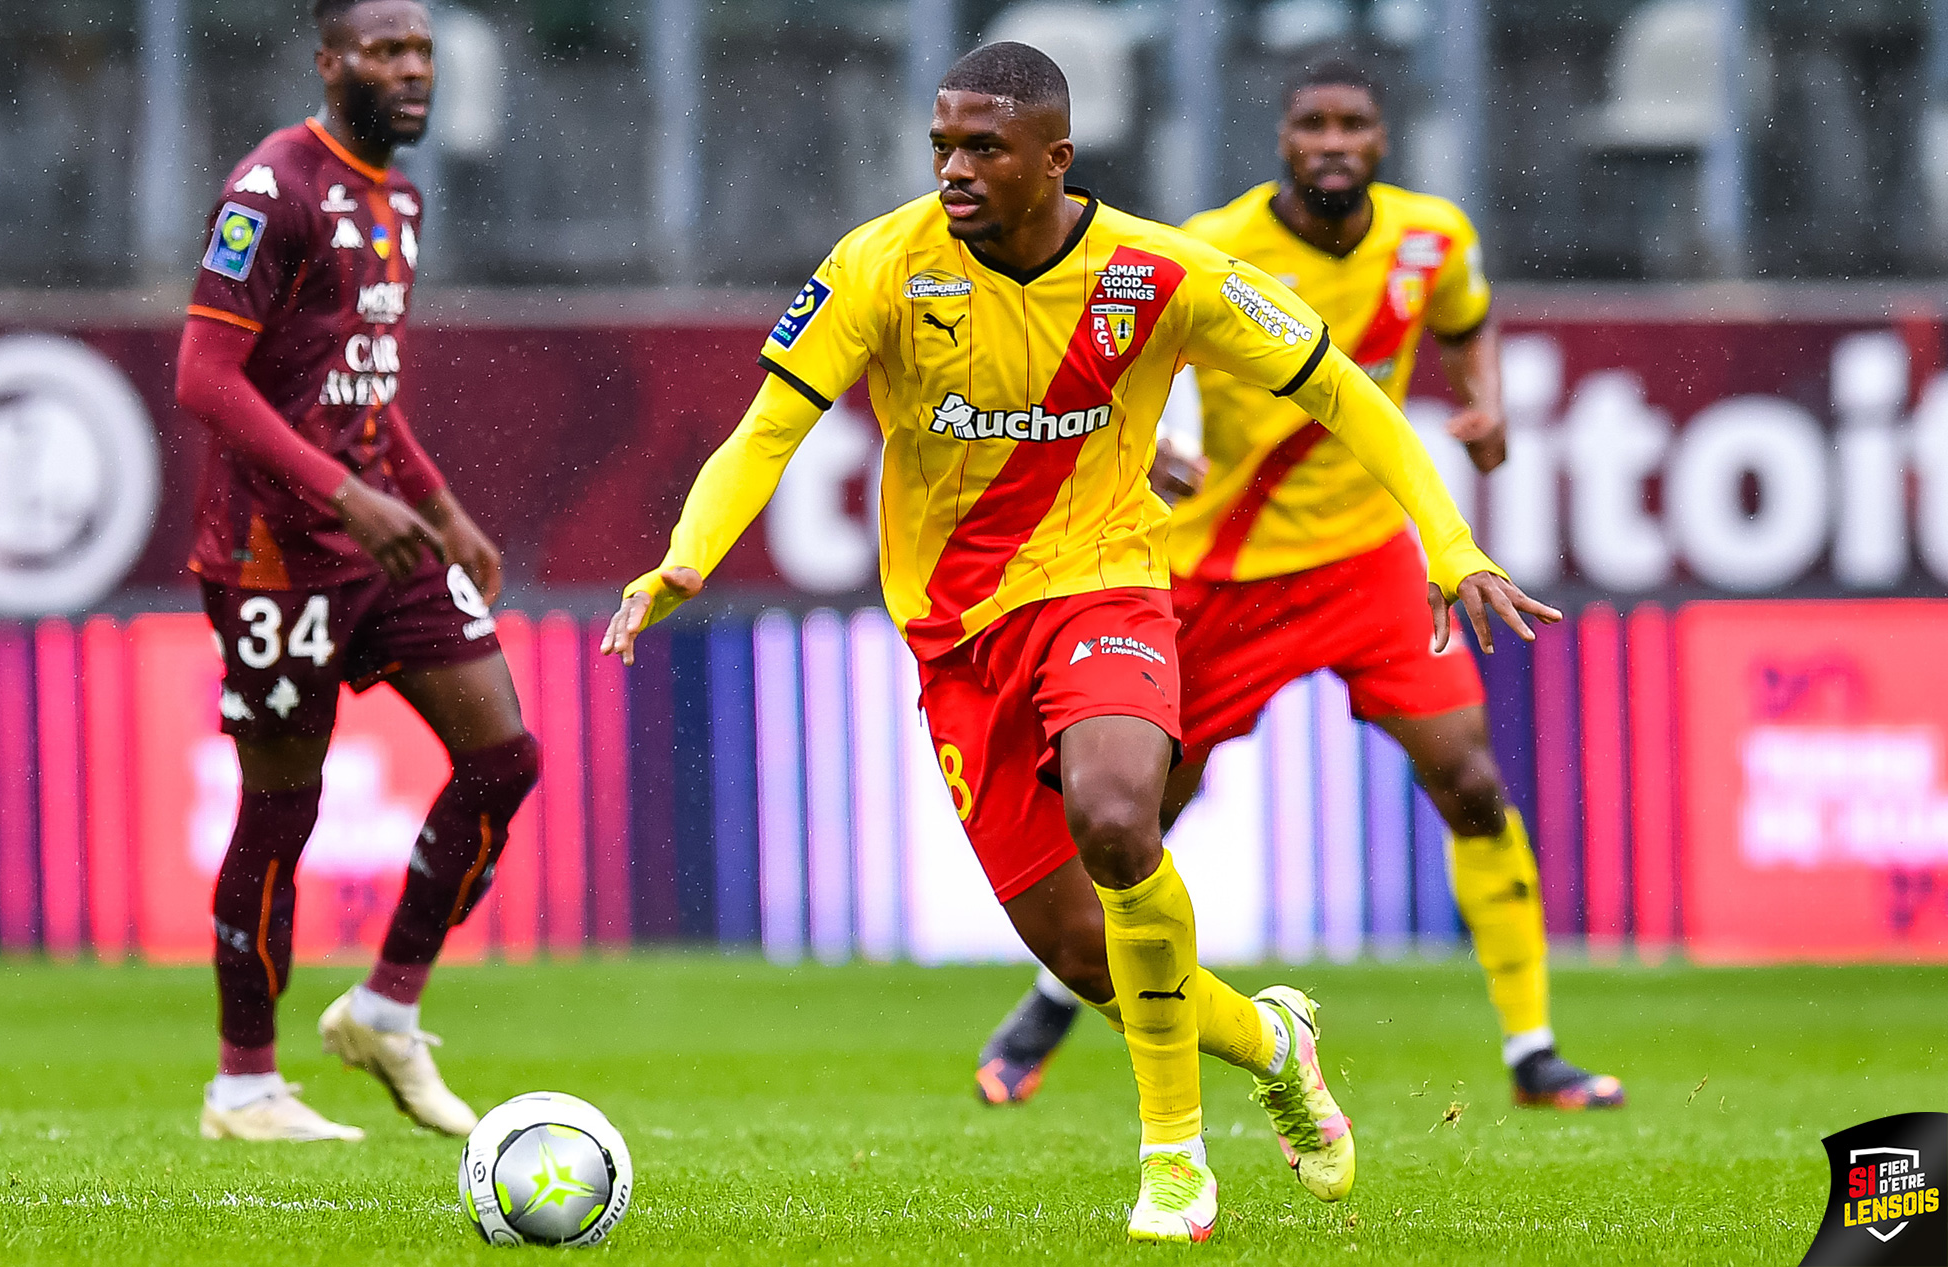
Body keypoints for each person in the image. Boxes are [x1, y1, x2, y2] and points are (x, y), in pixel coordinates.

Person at [604, 42, 1556, 1243]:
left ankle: (1173, 1164)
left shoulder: (1162, 271)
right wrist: (686, 555)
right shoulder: (879, 265)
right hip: (954, 642)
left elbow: (1341, 391)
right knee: (1083, 956)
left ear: (1054, 159)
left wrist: (1449, 543)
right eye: (941, 143)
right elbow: (765, 432)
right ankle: (1274, 1041)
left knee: (1118, 818)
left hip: (1103, 585)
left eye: (981, 148)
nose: (952, 167)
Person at [974, 57, 1624, 1115]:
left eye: (1351, 124)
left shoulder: (1432, 238)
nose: (1331, 141)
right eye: (1311, 124)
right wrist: (1147, 448)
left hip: (1367, 563)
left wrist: (1485, 404)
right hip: (1223, 572)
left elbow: (1463, 323)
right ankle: (1052, 994)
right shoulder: (1216, 243)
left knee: (1465, 778)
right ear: (1281, 139)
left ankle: (1533, 1049)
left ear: (1380, 140)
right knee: (1141, 809)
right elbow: (1120, 361)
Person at [174, 0, 540, 1142]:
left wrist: (437, 504)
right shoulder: (271, 187)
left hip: (381, 535)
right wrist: (350, 496)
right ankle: (244, 1083)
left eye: (423, 50)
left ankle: (386, 1008)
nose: (412, 69)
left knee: (503, 755)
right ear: (329, 62)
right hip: (274, 554)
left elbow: (359, 384)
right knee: (284, 805)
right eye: (386, 50)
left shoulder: (398, 195)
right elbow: (205, 379)